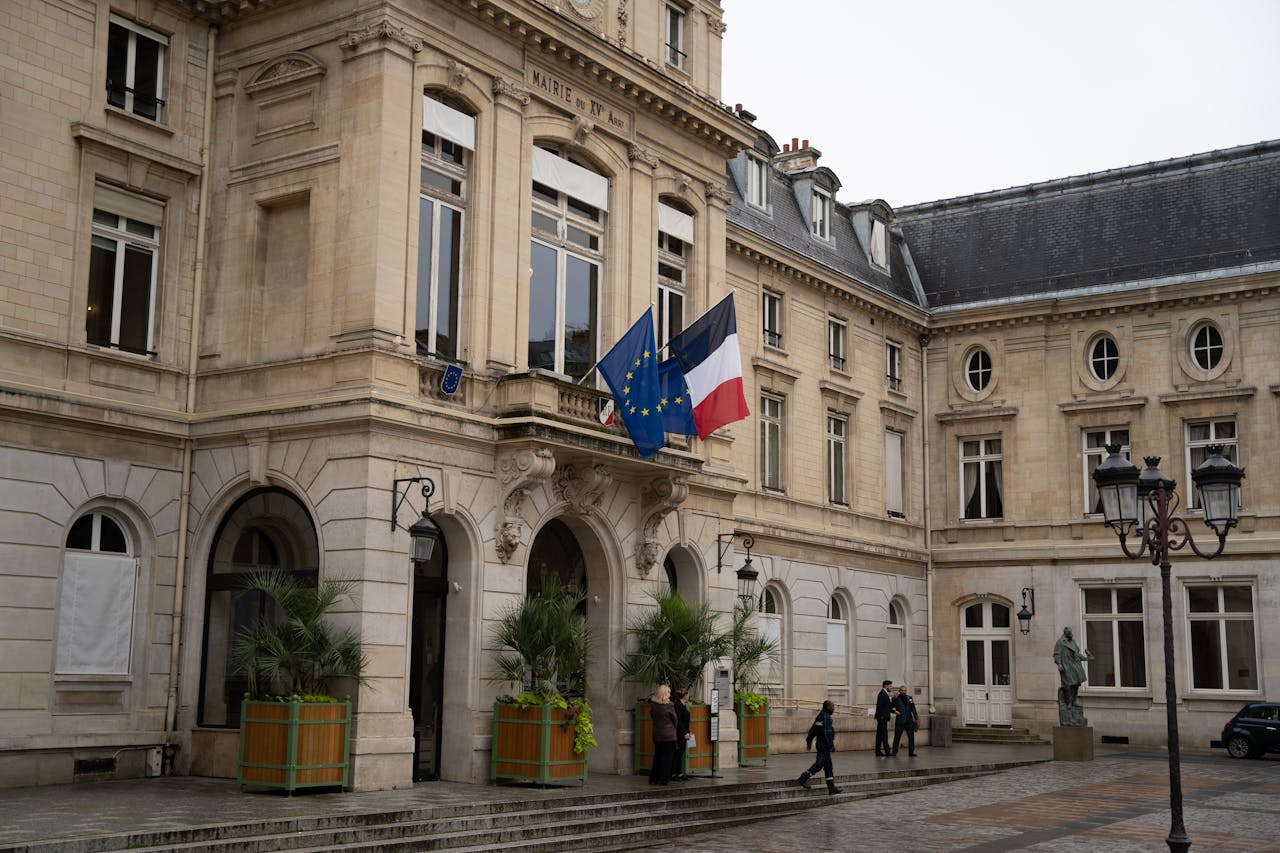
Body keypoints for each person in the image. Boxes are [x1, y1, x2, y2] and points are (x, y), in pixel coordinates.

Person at [796, 699, 842, 795]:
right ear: (827, 707)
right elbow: (826, 732)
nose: (834, 709)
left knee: (828, 767)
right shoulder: (826, 717)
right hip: (824, 745)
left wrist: (809, 741)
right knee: (819, 764)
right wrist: (831, 745)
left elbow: (813, 730)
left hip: (821, 744)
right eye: (832, 707)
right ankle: (803, 778)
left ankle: (831, 788)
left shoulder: (820, 716)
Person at [1053, 626, 1095, 726]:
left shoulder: (1073, 641)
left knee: (1076, 684)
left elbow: (1077, 653)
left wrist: (1086, 657)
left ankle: (1074, 701)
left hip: (1075, 666)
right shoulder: (1060, 642)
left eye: (1071, 633)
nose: (1072, 634)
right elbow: (1056, 654)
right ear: (1066, 633)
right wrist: (1059, 664)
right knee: (1068, 684)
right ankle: (1069, 702)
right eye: (1070, 633)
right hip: (1066, 666)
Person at [648, 684, 679, 785]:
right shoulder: (669, 705)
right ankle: (664, 778)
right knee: (667, 757)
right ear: (666, 694)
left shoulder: (653, 705)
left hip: (657, 734)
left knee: (657, 756)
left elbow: (652, 717)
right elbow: (675, 719)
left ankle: (654, 778)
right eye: (669, 692)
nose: (670, 694)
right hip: (669, 735)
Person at [890, 685, 919, 756]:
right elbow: (890, 707)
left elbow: (913, 709)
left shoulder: (910, 698)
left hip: (909, 721)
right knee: (897, 737)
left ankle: (911, 752)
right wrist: (894, 711)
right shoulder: (896, 698)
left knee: (911, 737)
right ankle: (894, 751)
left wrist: (916, 718)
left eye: (905, 690)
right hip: (900, 721)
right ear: (899, 691)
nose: (903, 692)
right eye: (902, 690)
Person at [671, 686, 692, 781]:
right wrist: (684, 732)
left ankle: (679, 773)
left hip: (684, 732)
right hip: (679, 733)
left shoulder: (683, 705)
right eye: (688, 694)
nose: (689, 696)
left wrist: (688, 731)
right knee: (677, 753)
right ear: (684, 695)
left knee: (680, 753)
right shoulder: (678, 705)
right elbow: (679, 721)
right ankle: (673, 773)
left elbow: (685, 720)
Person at [874, 680, 895, 756]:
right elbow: (881, 706)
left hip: (881, 717)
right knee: (884, 735)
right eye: (890, 686)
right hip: (882, 718)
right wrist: (894, 699)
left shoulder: (884, 694)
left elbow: (886, 706)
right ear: (886, 686)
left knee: (879, 735)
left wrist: (893, 711)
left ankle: (878, 751)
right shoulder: (882, 694)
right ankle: (887, 751)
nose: (891, 688)